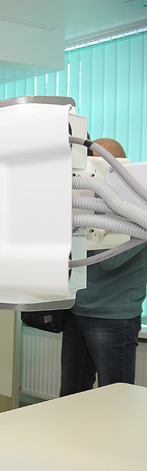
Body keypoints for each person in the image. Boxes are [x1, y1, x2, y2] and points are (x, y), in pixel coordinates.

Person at [60, 137, 147, 395]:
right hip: (78, 310)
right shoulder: (84, 197)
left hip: (113, 317)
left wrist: (82, 225)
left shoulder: (139, 205)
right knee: (71, 396)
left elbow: (111, 259)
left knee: (114, 398)